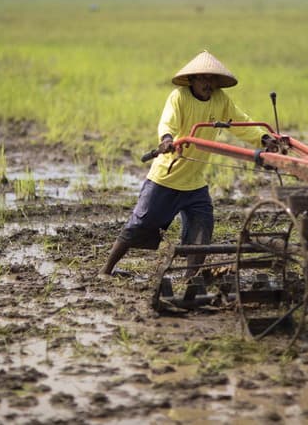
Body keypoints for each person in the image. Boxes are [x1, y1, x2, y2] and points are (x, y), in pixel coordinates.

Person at [100, 51, 276, 276]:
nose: (208, 83)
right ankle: (105, 270)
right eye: (202, 78)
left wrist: (264, 138)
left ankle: (190, 280)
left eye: (212, 79)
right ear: (192, 79)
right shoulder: (179, 97)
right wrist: (166, 139)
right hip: (166, 178)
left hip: (194, 183)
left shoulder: (221, 100)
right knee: (139, 226)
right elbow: (168, 121)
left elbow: (241, 122)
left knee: (202, 229)